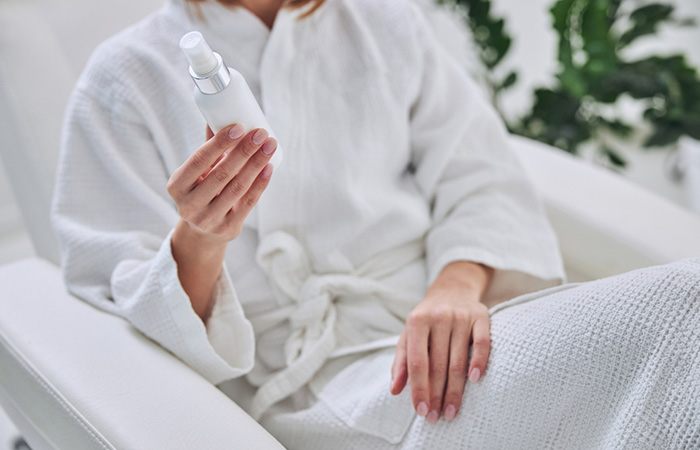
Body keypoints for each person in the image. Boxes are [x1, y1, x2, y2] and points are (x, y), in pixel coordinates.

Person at [50, 0, 700, 448]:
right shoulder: (124, 80)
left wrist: (456, 285)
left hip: (452, 336)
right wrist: (203, 237)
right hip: (317, 393)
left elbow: (480, 175)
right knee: (681, 307)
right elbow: (118, 307)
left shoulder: (382, 20)